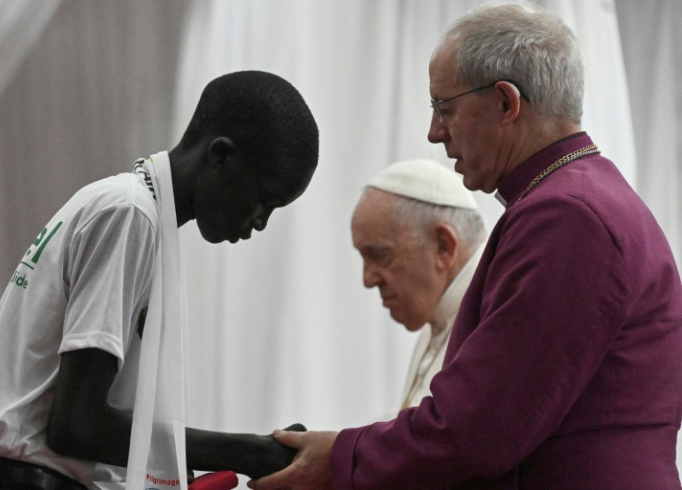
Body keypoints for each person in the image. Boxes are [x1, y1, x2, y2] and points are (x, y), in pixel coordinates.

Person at [249, 3, 682, 489]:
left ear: (505, 103)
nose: (435, 132)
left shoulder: (568, 215)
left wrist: (342, 458)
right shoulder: (576, 196)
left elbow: (478, 428)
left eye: (444, 108)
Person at [0, 70, 319, 489]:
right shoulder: (129, 214)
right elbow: (77, 426)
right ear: (221, 156)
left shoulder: (133, 211)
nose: (261, 222)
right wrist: (249, 451)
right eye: (265, 199)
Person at [350, 159, 486, 411]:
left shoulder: (494, 318)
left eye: (379, 255)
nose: (367, 280)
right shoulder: (438, 317)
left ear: (443, 246)